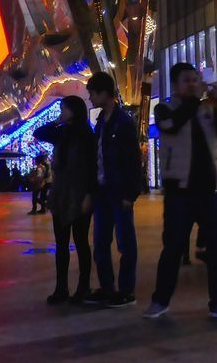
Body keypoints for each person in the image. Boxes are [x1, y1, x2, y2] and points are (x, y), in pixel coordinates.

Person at [144, 63, 217, 321]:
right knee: (173, 248)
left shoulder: (207, 109)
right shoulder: (165, 108)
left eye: (195, 79)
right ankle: (160, 300)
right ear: (175, 85)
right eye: (187, 80)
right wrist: (197, 98)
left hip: (210, 192)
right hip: (180, 192)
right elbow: (173, 125)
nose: (192, 84)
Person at [85, 71, 143, 308]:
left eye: (92, 93)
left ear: (103, 93)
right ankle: (108, 288)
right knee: (100, 242)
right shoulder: (100, 123)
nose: (89, 98)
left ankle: (126, 291)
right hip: (102, 192)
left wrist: (131, 194)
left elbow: (133, 160)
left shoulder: (124, 122)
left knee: (125, 242)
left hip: (119, 192)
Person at [34, 96, 97, 304]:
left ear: (74, 110)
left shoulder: (87, 134)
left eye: (64, 109)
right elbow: (38, 133)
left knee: (80, 242)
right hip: (61, 194)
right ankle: (61, 288)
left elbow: (91, 167)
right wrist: (57, 121)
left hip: (79, 193)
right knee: (61, 244)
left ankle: (83, 286)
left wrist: (89, 193)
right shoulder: (62, 133)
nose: (61, 112)